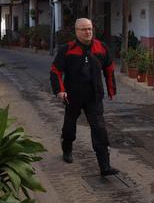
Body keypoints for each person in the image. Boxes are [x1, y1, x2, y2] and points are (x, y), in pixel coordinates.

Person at [50, 18, 119, 176]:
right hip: (72, 96)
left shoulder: (101, 48)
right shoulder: (67, 49)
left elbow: (109, 69)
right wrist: (60, 91)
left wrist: (111, 90)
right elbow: (55, 71)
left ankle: (105, 166)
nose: (87, 32)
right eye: (83, 29)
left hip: (94, 97)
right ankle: (67, 149)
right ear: (76, 31)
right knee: (69, 128)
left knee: (99, 130)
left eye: (89, 28)